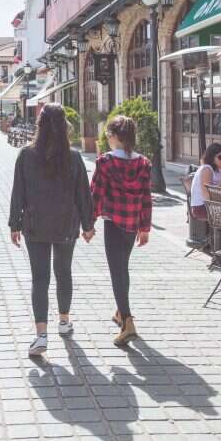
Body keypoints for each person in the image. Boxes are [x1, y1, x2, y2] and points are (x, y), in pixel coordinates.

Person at [8, 104, 95, 357]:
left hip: (35, 224)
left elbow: (18, 193)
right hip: (67, 224)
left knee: (40, 278)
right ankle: (64, 321)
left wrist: (15, 224)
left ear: (40, 125)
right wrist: (88, 225)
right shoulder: (74, 157)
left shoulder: (26, 155)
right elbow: (83, 195)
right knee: (63, 272)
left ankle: (41, 335)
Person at [90, 116, 152, 348]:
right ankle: (120, 311)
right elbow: (147, 198)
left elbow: (96, 194)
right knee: (122, 269)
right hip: (132, 223)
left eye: (108, 134)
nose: (106, 138)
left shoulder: (105, 163)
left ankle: (128, 322)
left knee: (117, 272)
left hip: (113, 223)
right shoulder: (143, 163)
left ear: (116, 136)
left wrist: (89, 224)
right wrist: (144, 228)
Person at [190, 143, 221, 221]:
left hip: (209, 205)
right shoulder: (207, 169)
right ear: (212, 158)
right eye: (220, 157)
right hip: (201, 207)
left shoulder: (218, 169)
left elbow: (216, 191)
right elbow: (207, 196)